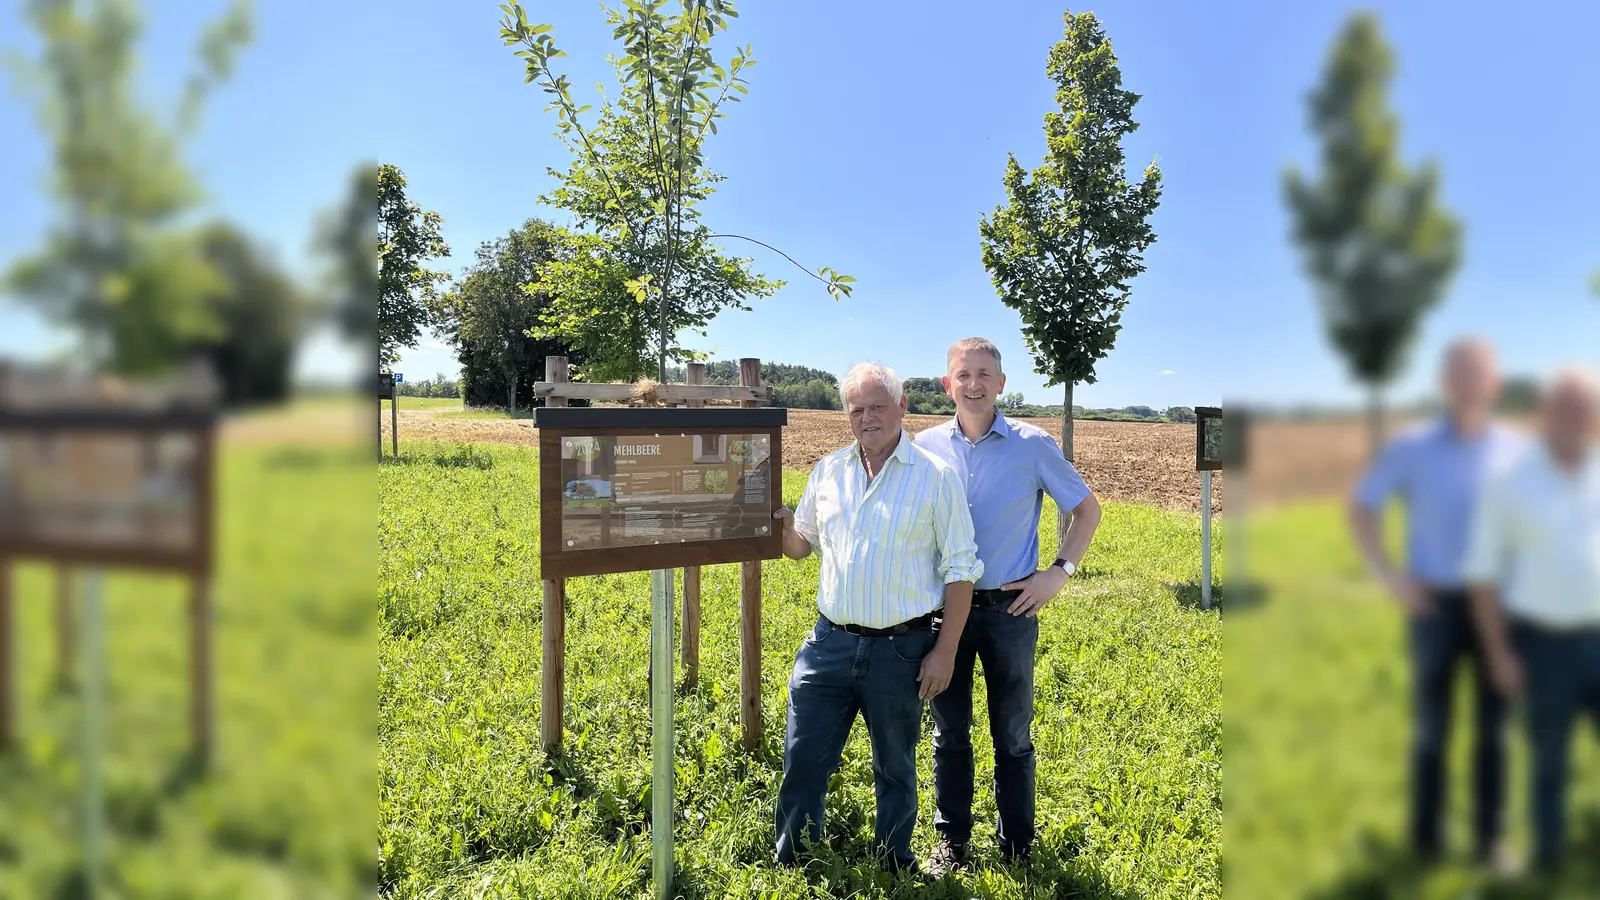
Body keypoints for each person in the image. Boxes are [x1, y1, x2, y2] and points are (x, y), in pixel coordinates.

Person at [770, 361, 984, 874]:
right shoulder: (828, 471)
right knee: (802, 758)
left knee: (895, 766)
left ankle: (893, 861)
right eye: (856, 408)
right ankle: (796, 863)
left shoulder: (936, 478)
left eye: (876, 407)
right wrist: (768, 516)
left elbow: (961, 570)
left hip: (902, 650)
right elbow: (802, 545)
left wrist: (945, 652)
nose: (866, 418)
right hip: (829, 645)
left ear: (902, 408)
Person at [911, 337, 1102, 873]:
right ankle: (952, 841)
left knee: (1012, 733)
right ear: (947, 384)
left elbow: (1086, 512)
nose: (973, 384)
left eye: (984, 374)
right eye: (962, 374)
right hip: (943, 610)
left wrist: (1058, 573)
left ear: (1001, 383)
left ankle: (1017, 844)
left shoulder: (1033, 445)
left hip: (1009, 611)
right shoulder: (923, 446)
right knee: (949, 731)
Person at [1348, 337, 1522, 866]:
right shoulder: (1412, 447)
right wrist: (1391, 578)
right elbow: (1363, 508)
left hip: (1501, 607)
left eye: (1479, 372)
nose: (1469, 382)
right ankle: (1425, 845)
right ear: (1445, 382)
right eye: (1459, 372)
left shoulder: (1516, 451)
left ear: (1494, 383)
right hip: (1435, 609)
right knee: (1432, 730)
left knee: (1495, 732)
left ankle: (1489, 843)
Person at [1464, 366, 1600, 873]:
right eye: (1563, 406)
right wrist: (1499, 654)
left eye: (1583, 407)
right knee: (1549, 763)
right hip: (1543, 647)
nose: (1574, 417)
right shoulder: (1508, 482)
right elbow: (1483, 576)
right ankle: (1548, 860)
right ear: (1543, 413)